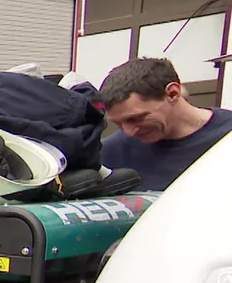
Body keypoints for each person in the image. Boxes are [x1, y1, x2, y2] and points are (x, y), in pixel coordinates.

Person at [98, 56, 232, 190]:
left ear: (172, 94)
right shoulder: (110, 152)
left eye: (136, 118)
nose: (129, 132)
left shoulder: (227, 137)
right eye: (118, 123)